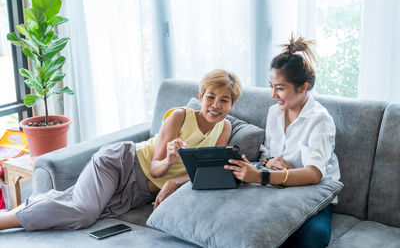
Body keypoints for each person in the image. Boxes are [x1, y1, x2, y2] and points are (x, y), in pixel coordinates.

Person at [0, 69, 242, 231]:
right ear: (200, 96)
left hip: (138, 191)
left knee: (86, 212)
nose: (216, 105)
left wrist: (174, 183)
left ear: (233, 104)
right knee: (83, 213)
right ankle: (5, 220)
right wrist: (169, 160)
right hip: (121, 163)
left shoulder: (224, 128)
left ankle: (35, 203)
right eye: (211, 97)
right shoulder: (180, 116)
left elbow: (206, 171)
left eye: (224, 100)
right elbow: (157, 170)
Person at [224, 35, 340, 248]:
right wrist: (268, 163)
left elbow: (314, 174)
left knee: (313, 238)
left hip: (311, 191)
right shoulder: (274, 113)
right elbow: (267, 153)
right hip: (277, 187)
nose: (272, 94)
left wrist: (261, 176)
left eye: (279, 88)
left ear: (303, 87)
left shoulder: (320, 119)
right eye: (271, 86)